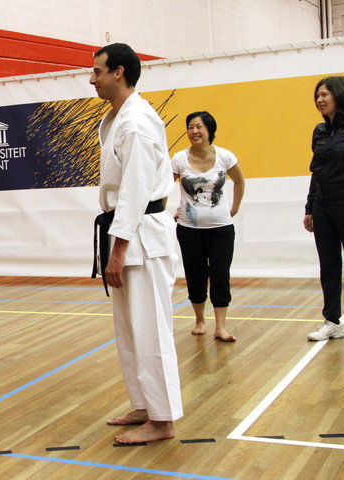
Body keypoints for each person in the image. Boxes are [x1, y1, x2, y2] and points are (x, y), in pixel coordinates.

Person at [89, 43, 182, 444]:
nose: (92, 79)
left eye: (97, 71)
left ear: (119, 72)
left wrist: (119, 249)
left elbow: (135, 190)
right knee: (129, 329)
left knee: (150, 328)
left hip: (142, 234)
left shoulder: (137, 122)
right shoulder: (118, 118)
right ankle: (145, 405)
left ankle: (163, 419)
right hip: (128, 230)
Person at [171, 112, 245, 342]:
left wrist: (234, 208)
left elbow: (240, 181)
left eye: (199, 127)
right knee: (195, 274)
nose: (194, 131)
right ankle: (200, 320)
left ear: (209, 130)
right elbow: (162, 187)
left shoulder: (225, 156)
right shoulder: (179, 159)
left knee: (220, 274)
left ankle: (220, 327)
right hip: (188, 230)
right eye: (190, 127)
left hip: (221, 229)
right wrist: (168, 212)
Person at [304, 76, 344, 341]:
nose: (319, 100)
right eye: (317, 96)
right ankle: (332, 320)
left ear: (338, 95)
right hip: (322, 205)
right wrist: (310, 207)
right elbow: (316, 171)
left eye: (324, 94)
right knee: (328, 265)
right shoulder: (319, 131)